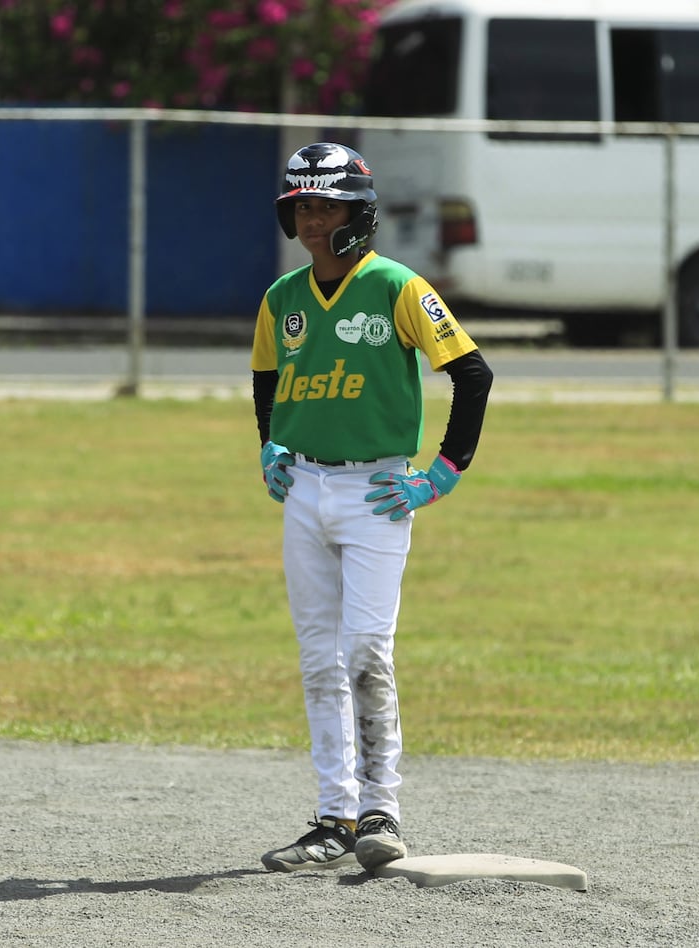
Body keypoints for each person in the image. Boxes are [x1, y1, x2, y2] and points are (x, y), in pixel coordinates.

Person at [251, 142, 493, 873]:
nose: (313, 221)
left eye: (327, 207)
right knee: (317, 659)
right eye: (303, 207)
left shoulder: (398, 287)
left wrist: (441, 474)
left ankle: (381, 808)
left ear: (359, 213)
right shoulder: (282, 298)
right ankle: (335, 816)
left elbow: (473, 374)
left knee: (365, 651)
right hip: (304, 490)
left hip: (379, 492)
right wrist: (270, 444)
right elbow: (267, 378)